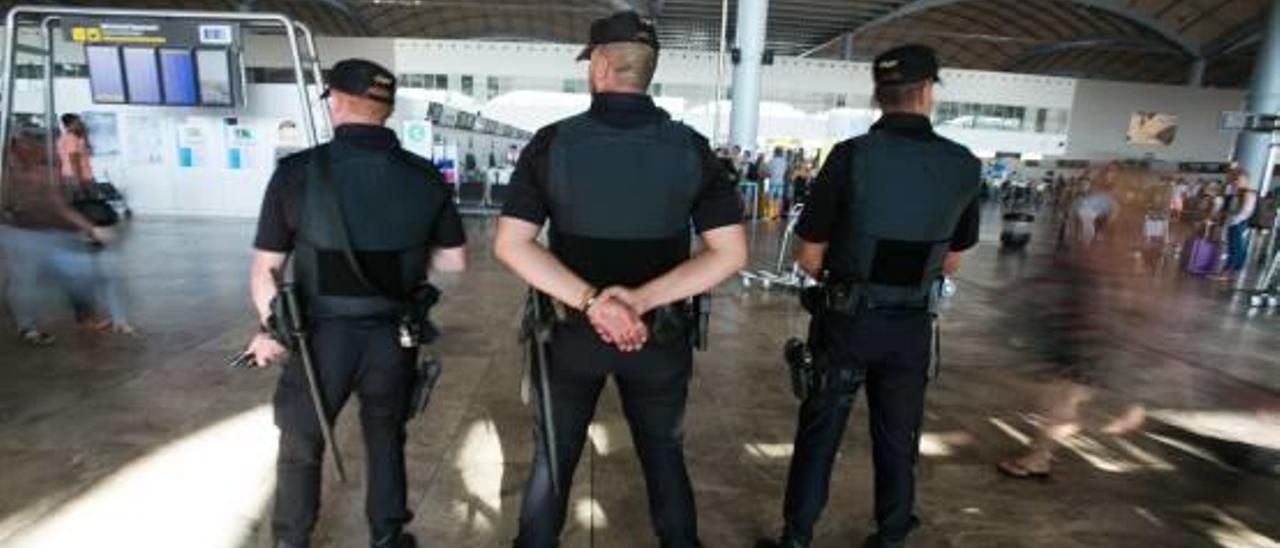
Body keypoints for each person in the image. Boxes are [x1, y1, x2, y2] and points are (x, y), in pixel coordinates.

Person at [493, 11, 747, 548]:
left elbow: (511, 244)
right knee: (664, 457)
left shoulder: (552, 144)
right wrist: (639, 300)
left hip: (567, 338)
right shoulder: (693, 148)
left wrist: (595, 303)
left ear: (602, 65)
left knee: (554, 462)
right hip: (659, 338)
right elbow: (730, 253)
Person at [758, 44, 981, 548]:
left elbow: (809, 258)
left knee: (821, 433)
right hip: (910, 330)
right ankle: (893, 531)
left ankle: (796, 537)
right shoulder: (963, 164)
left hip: (848, 323)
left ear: (878, 95)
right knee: (898, 436)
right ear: (927, 92)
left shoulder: (850, 157)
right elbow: (951, 260)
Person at [243, 58, 467, 548]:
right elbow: (454, 261)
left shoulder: (296, 173)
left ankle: (292, 540)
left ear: (337, 102)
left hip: (318, 337)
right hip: (393, 335)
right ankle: (387, 536)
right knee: (386, 437)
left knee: (302, 444)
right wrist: (406, 267)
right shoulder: (425, 177)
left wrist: (272, 328)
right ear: (386, 109)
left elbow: (267, 268)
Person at [1, 127, 114, 345]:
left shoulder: (44, 174)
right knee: (24, 282)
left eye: (38, 146)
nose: (37, 150)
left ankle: (86, 318)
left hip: (51, 233)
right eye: (30, 146)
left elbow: (59, 206)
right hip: (19, 234)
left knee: (78, 273)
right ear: (16, 149)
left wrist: (89, 228)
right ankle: (28, 328)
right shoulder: (6, 176)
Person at [1218, 168, 1258, 279]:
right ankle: (1232, 272)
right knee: (1236, 247)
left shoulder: (1248, 193)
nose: (1236, 182)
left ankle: (1226, 272)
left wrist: (1234, 219)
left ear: (1246, 180)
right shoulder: (1239, 192)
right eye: (1235, 180)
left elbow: (1245, 211)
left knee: (1235, 248)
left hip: (1238, 223)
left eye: (1238, 180)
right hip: (1237, 222)